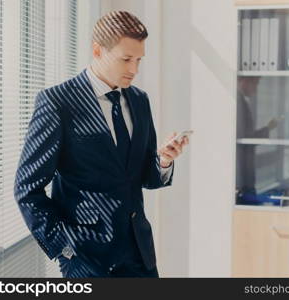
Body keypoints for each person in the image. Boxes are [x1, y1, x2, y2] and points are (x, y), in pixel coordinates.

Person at [13, 10, 189, 278]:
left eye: (139, 59)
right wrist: (65, 248)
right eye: (126, 59)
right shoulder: (58, 103)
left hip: (140, 257)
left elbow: (144, 177)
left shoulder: (140, 100)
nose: (134, 69)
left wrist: (163, 160)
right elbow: (27, 188)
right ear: (97, 50)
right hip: (87, 261)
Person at [236, 76, 281, 203]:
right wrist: (268, 128)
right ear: (244, 81)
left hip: (244, 170)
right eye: (255, 84)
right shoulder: (238, 103)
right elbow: (245, 139)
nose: (256, 89)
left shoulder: (241, 101)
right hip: (242, 171)